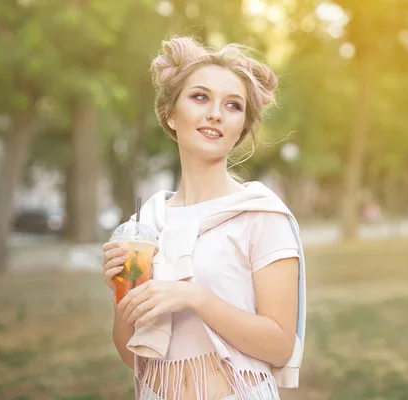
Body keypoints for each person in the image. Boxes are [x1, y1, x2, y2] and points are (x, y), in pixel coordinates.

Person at [101, 36, 306, 400]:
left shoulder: (260, 214)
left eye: (232, 105)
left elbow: (280, 346)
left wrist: (195, 298)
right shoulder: (148, 223)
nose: (215, 113)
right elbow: (132, 357)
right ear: (170, 114)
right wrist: (123, 298)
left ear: (240, 128)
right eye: (200, 97)